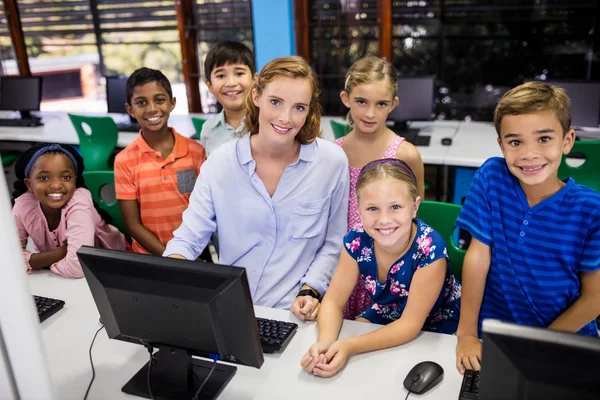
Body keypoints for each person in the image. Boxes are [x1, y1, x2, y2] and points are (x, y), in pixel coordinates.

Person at [163, 56, 349, 319]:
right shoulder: (220, 163)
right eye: (275, 102)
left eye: (299, 107)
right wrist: (168, 278)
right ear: (256, 96)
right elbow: (188, 238)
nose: (286, 118)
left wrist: (311, 290)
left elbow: (333, 244)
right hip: (232, 310)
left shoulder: (331, 163)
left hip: (297, 314)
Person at [455, 82, 600, 374]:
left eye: (544, 138)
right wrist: (467, 334)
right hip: (492, 338)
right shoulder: (492, 177)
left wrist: (539, 346)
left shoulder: (590, 209)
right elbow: (477, 257)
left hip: (562, 341)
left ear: (567, 140)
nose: (529, 154)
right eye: (515, 142)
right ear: (501, 145)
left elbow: (594, 297)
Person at [301, 158, 460, 378]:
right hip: (388, 314)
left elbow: (409, 325)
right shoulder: (357, 239)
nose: (384, 220)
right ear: (359, 209)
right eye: (373, 208)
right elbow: (333, 301)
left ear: (415, 207)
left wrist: (349, 346)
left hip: (439, 326)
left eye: (395, 207)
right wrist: (325, 344)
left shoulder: (430, 250)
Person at [336, 56, 426, 320]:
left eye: (381, 104)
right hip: (346, 267)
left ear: (394, 104)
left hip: (388, 273)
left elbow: (414, 216)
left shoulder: (405, 154)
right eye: (361, 102)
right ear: (345, 99)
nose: (370, 113)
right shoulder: (334, 153)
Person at [114, 67, 206, 255]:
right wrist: (170, 257)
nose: (152, 109)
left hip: (195, 252)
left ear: (172, 103)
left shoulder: (195, 152)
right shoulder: (124, 161)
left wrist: (185, 255)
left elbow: (204, 211)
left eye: (159, 100)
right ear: (130, 109)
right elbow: (132, 224)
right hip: (152, 255)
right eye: (141, 103)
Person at [11, 143, 126, 278]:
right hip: (65, 277)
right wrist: (60, 253)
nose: (56, 185)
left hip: (112, 269)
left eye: (66, 177)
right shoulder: (23, 204)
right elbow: (9, 258)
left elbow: (77, 268)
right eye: (43, 178)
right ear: (29, 184)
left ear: (75, 180)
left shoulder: (79, 200)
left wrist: (39, 262)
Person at [200, 41, 256, 156]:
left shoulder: (266, 122)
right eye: (221, 76)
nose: (231, 83)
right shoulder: (208, 130)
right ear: (210, 85)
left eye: (239, 73)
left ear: (254, 80)